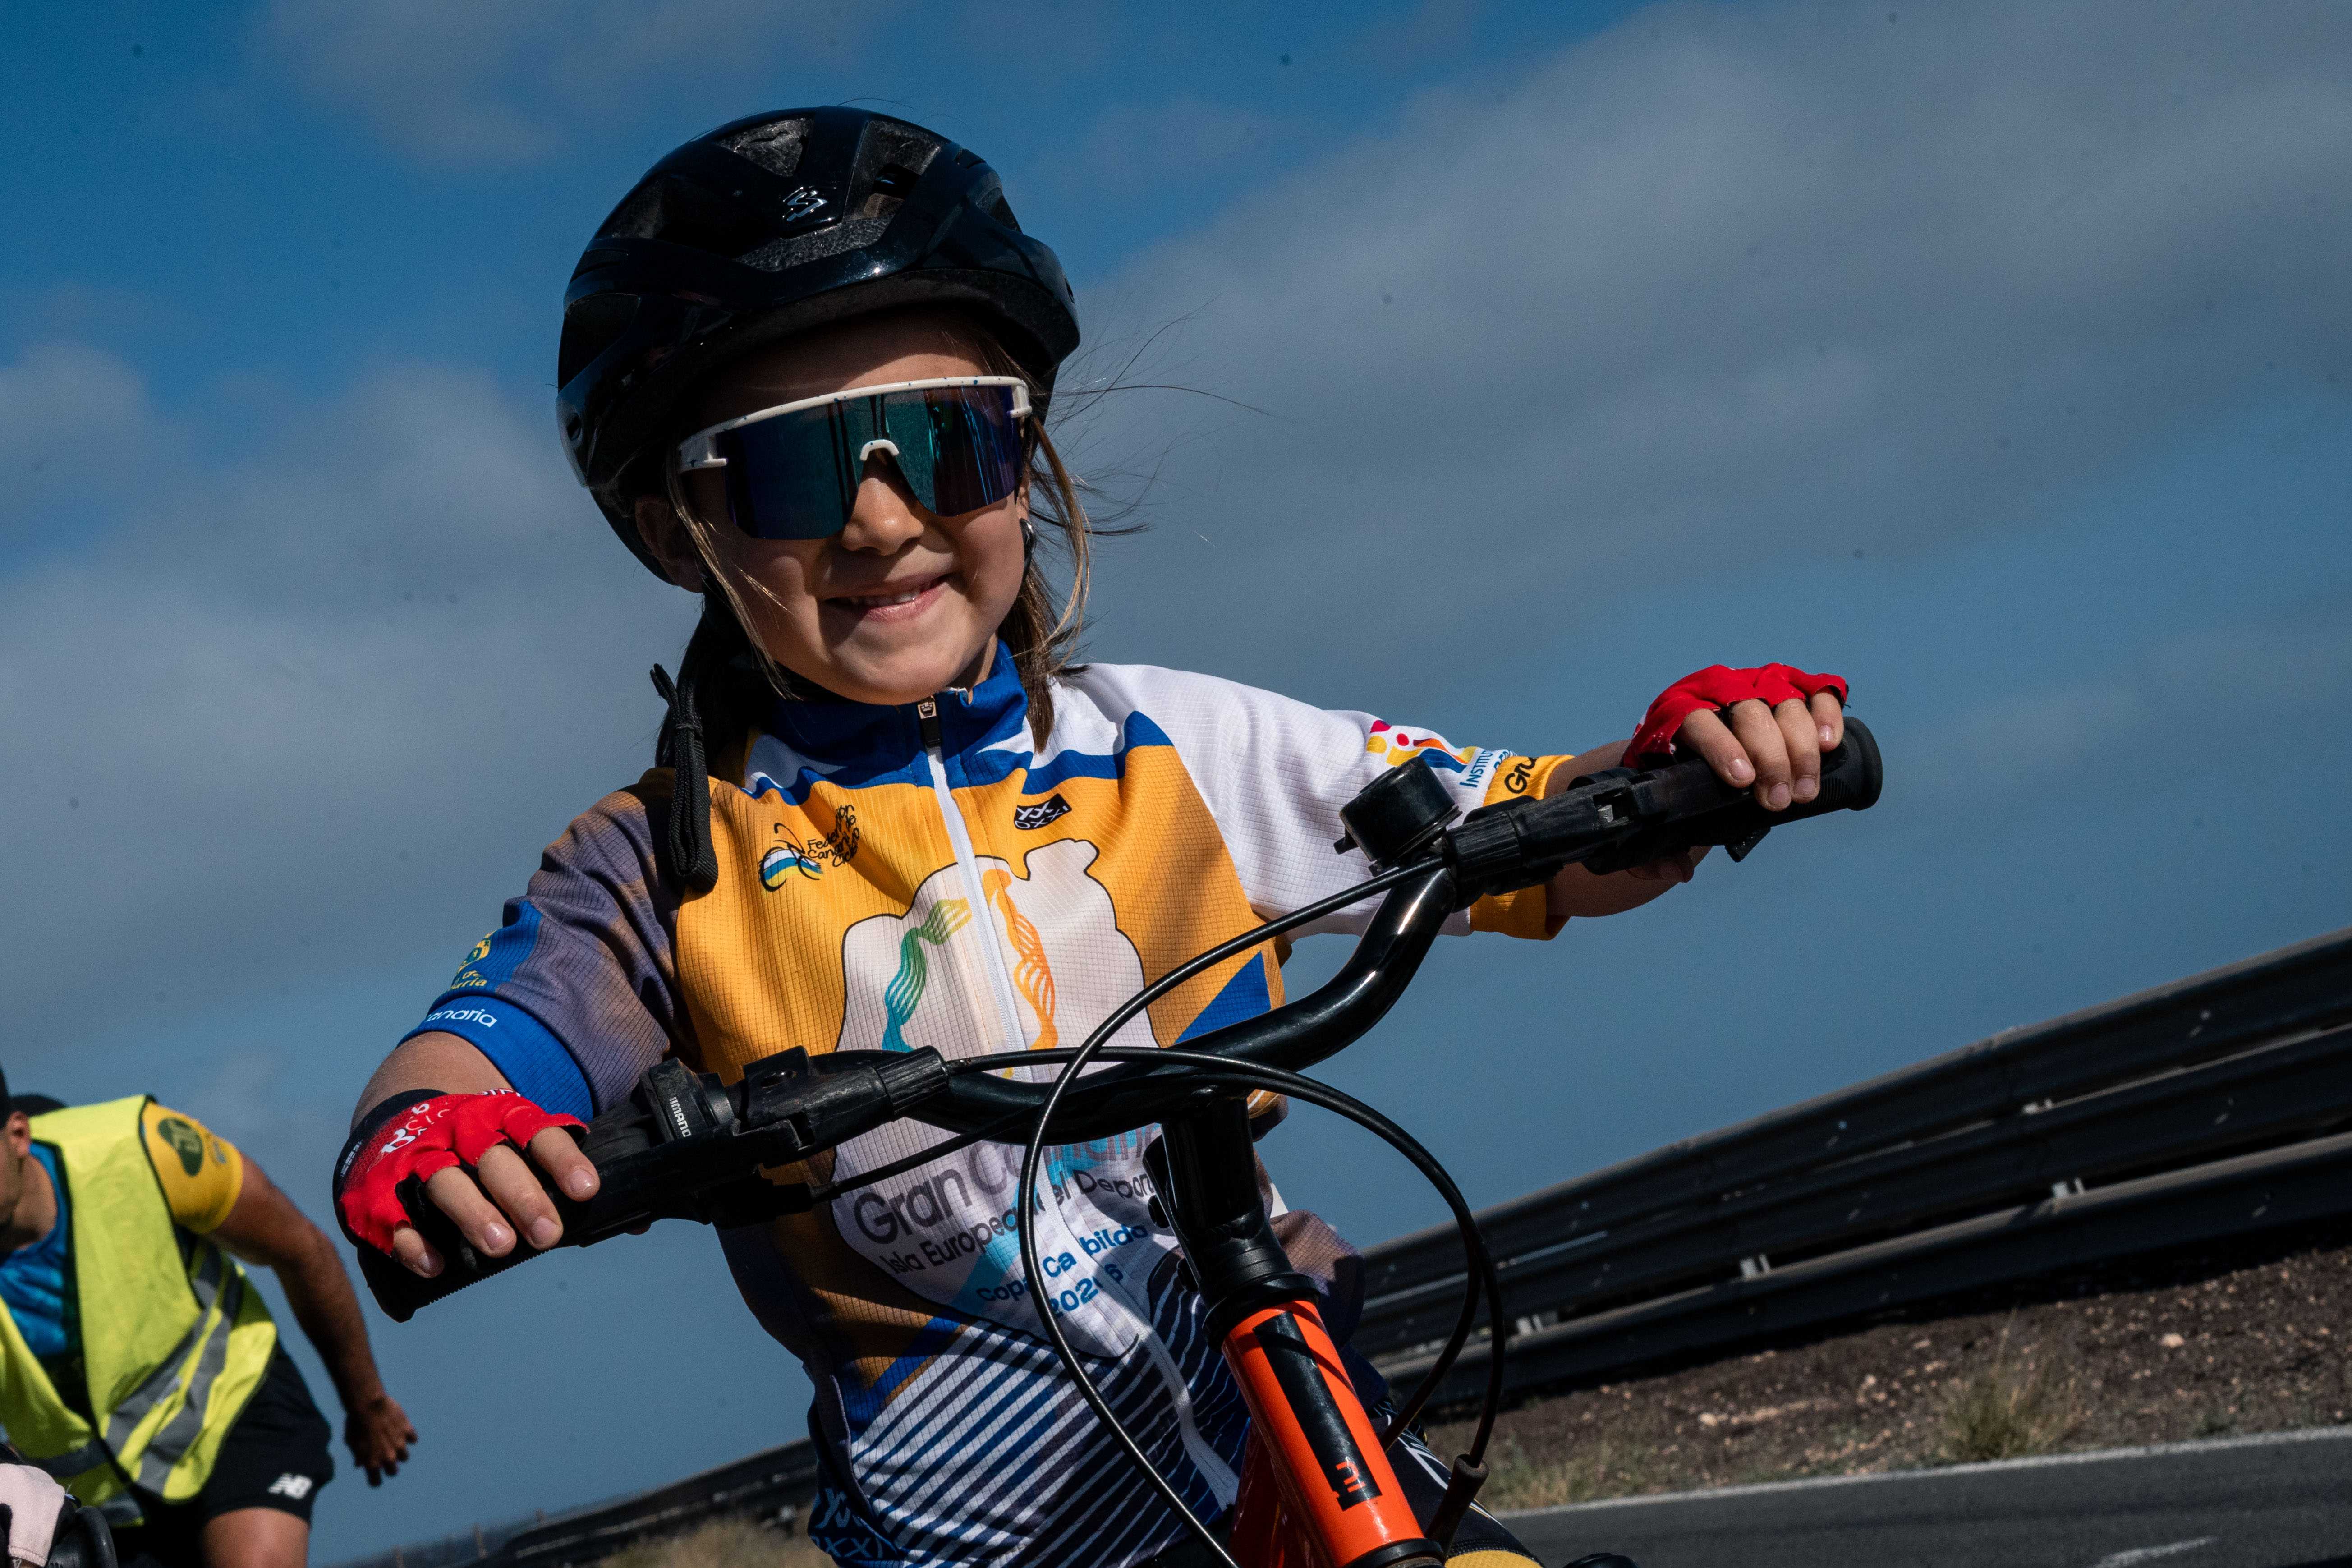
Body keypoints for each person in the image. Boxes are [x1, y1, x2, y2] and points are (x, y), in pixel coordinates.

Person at [334, 109, 1848, 1568]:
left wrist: (1681, 760)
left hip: (1292, 1409)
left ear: (1019, 446)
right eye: (795, 468)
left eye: (942, 441)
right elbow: (487, 1041)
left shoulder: (1167, 742)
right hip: (971, 1522)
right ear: (683, 528)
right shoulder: (663, 856)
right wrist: (431, 1129)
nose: (878, 523)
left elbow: (1531, 835)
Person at [0, 1070, 414, 1568]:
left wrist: (366, 1404)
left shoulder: (145, 1147)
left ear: (18, 1135)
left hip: (236, 1418)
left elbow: (302, 1251)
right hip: (100, 1501)